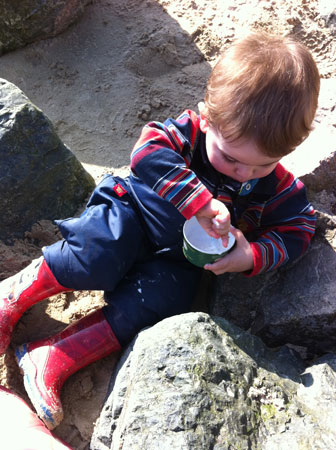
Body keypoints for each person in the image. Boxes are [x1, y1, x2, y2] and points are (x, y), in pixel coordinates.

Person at [0, 32, 320, 430]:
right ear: (207, 118)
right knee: (99, 249)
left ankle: (54, 354)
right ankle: (16, 293)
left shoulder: (277, 187)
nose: (244, 173)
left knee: (163, 303)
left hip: (178, 259)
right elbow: (146, 150)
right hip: (133, 213)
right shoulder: (188, 134)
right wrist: (202, 202)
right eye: (232, 158)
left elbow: (300, 225)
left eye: (263, 165)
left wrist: (249, 256)